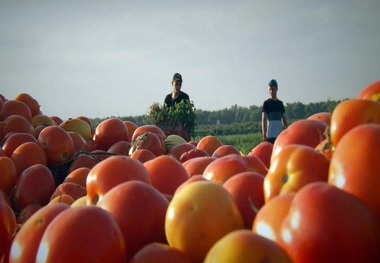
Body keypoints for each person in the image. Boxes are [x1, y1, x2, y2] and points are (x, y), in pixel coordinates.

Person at [261, 79, 288, 144]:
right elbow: (263, 120)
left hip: (279, 135)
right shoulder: (266, 103)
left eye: (273, 89)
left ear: (276, 89)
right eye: (270, 89)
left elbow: (284, 119)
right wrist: (264, 134)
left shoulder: (280, 103)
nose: (271, 91)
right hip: (270, 135)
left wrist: (287, 131)